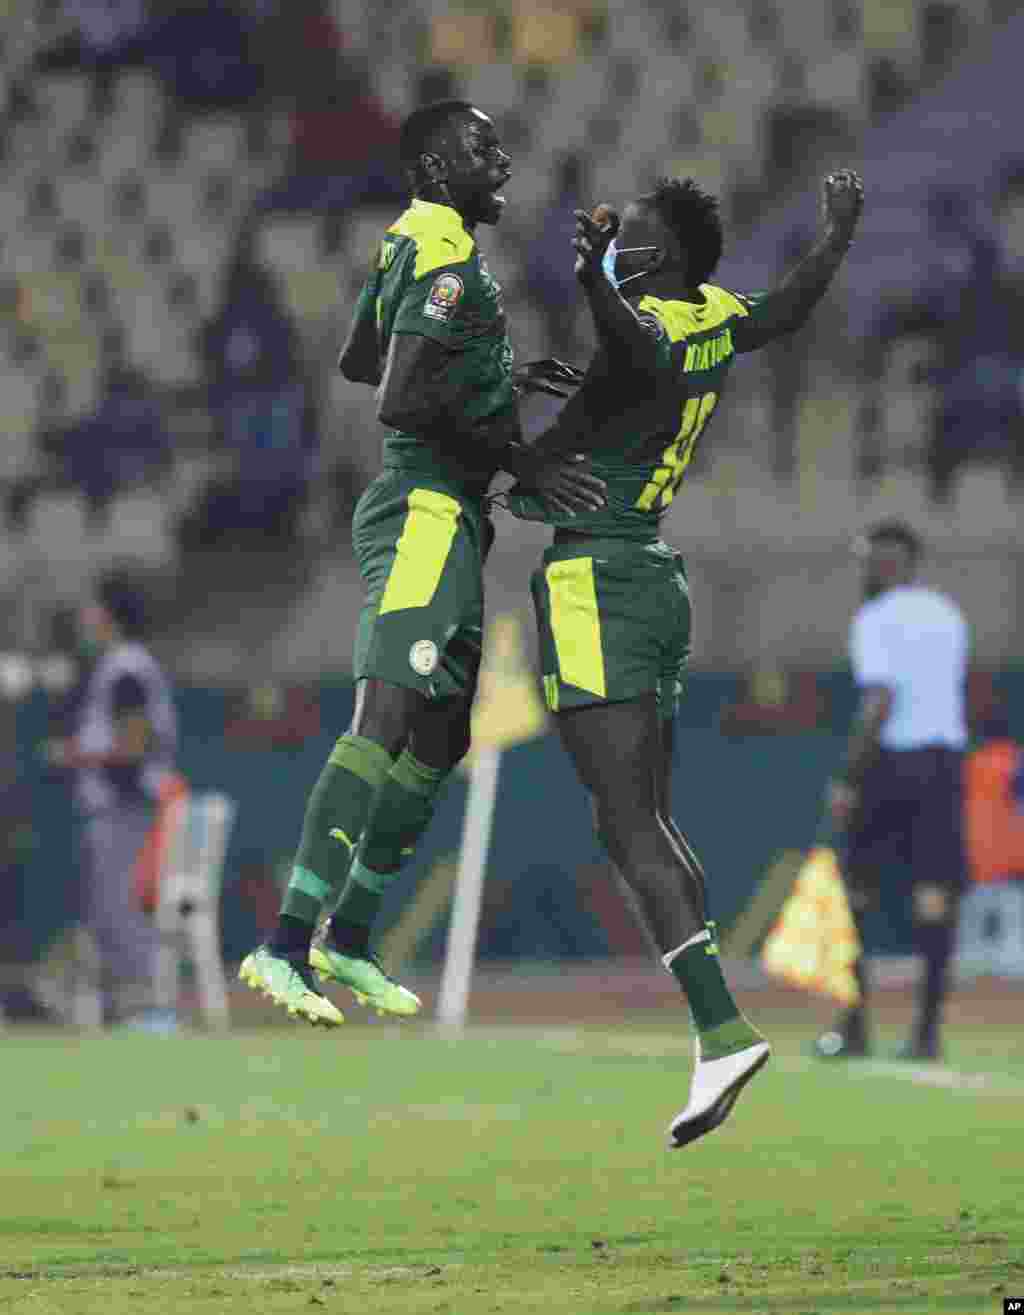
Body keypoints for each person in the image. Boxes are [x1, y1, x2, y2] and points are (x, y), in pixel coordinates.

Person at [502, 169, 864, 1147]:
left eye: (635, 235)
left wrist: (591, 286)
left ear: (660, 257)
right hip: (651, 576)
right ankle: (714, 1016)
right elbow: (781, 311)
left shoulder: (649, 323)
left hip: (598, 580)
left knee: (624, 825)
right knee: (647, 817)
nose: (620, 239)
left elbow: (631, 341)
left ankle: (718, 1028)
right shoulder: (712, 314)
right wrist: (832, 237)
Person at [239, 99, 605, 1025]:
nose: (504, 159)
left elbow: (364, 355)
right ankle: (284, 944)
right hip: (424, 513)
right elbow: (398, 398)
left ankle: (351, 939)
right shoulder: (441, 246)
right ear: (439, 169)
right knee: (385, 714)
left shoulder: (414, 240)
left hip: (455, 519)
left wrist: (497, 381)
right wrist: (521, 456)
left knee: (440, 739)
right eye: (484, 145)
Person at [815, 521, 969, 1062]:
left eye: (872, 559)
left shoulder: (875, 618)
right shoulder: (948, 614)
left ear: (889, 563)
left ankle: (854, 1029)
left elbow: (879, 701)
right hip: (943, 764)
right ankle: (926, 1035)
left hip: (891, 762)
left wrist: (849, 778)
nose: (869, 568)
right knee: (934, 897)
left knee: (857, 891)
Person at [50, 574, 179, 1027]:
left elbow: (134, 745)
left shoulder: (127, 669)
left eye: (91, 608)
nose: (85, 618)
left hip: (127, 804)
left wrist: (75, 754)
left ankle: (150, 1010)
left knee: (122, 909)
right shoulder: (123, 666)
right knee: (111, 910)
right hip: (121, 803)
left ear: (109, 615)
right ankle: (136, 1008)